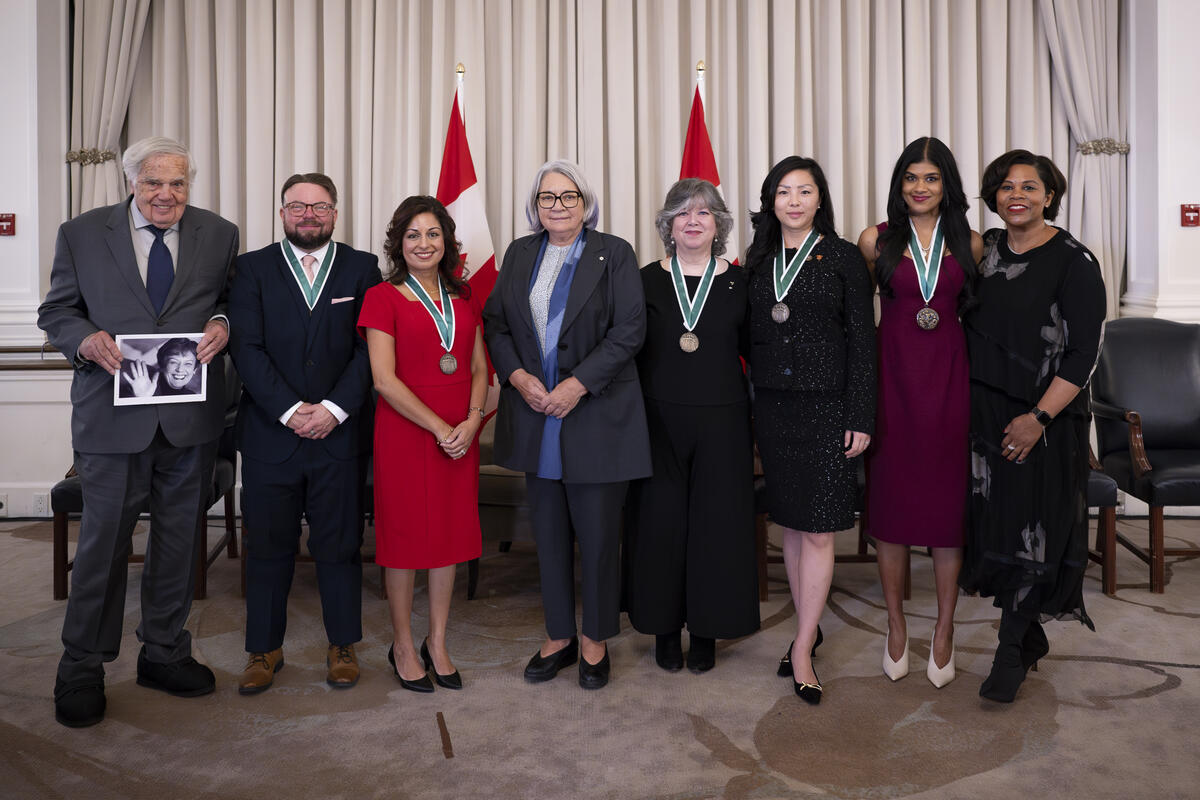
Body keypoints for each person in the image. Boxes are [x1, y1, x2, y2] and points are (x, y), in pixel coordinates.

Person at [38, 136, 239, 727]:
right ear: (130, 182)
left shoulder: (219, 233)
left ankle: (164, 652)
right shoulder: (81, 232)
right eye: (153, 182)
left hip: (189, 420)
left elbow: (230, 301)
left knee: (178, 543)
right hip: (110, 418)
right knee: (101, 548)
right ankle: (81, 667)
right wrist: (83, 340)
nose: (165, 194)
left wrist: (223, 323)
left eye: (177, 183)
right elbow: (57, 312)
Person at [483, 160, 651, 690]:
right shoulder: (520, 253)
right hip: (536, 413)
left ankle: (595, 638)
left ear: (587, 202)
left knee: (600, 536)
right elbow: (496, 322)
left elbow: (629, 331)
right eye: (547, 197)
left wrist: (576, 385)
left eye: (568, 196)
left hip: (595, 412)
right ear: (535, 206)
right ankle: (558, 634)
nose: (557, 205)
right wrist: (514, 376)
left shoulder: (615, 252)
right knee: (549, 533)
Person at [228, 172, 381, 694]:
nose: (308, 215)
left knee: (339, 545)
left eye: (319, 207)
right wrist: (291, 410)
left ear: (335, 213)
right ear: (282, 213)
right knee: (269, 545)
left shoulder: (363, 268)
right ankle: (264, 650)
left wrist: (334, 409)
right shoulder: (250, 269)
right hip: (273, 436)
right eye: (297, 206)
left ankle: (343, 645)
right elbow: (245, 348)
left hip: (338, 435)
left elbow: (370, 350)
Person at [960, 149, 1105, 703]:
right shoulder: (985, 251)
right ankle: (1029, 635)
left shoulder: (1074, 260)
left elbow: (1083, 354)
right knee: (994, 527)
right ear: (994, 197)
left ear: (1049, 195)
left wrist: (1039, 418)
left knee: (1029, 530)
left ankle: (1008, 651)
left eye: (1029, 186)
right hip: (983, 415)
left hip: (1041, 420)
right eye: (1005, 186)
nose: (1016, 194)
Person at [745, 156, 876, 705]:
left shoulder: (844, 257)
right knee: (793, 526)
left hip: (828, 408)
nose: (793, 201)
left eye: (804, 191)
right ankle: (809, 627)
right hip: (774, 409)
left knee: (821, 528)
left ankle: (801, 648)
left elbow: (864, 343)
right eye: (783, 191)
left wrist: (860, 416)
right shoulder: (757, 260)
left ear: (820, 199)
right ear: (770, 201)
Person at [856, 137, 982, 688]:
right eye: (911, 177)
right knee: (891, 506)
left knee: (947, 510)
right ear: (898, 184)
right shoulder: (873, 240)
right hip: (893, 382)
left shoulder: (972, 243)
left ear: (946, 185)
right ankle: (897, 625)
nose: (920, 187)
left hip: (951, 382)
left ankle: (946, 627)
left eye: (931, 178)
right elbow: (857, 323)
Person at [624, 178, 758, 673]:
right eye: (683, 213)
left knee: (715, 529)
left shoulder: (740, 282)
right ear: (668, 225)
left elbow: (756, 354)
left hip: (723, 420)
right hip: (657, 420)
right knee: (660, 526)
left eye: (704, 213)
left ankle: (705, 631)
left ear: (719, 224)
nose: (694, 220)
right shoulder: (645, 280)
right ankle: (663, 629)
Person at [358, 195, 486, 692]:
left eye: (432, 234)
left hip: (461, 431)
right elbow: (384, 381)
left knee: (449, 538)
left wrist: (473, 421)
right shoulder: (382, 297)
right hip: (408, 433)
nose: (424, 243)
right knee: (406, 540)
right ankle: (403, 645)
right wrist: (440, 428)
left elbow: (478, 367)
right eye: (413, 235)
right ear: (399, 243)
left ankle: (437, 641)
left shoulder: (466, 295)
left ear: (446, 241)